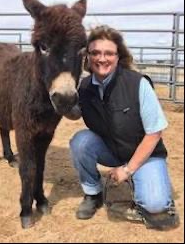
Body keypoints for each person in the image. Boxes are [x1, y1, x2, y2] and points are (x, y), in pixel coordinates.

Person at [69, 25, 179, 230]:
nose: (102, 59)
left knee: (155, 205)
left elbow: (154, 133)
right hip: (112, 149)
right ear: (87, 57)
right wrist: (61, 101)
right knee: (80, 142)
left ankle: (142, 179)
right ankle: (93, 194)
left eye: (109, 53)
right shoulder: (84, 87)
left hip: (146, 153)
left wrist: (128, 170)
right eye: (95, 53)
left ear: (118, 56)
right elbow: (76, 113)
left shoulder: (137, 84)